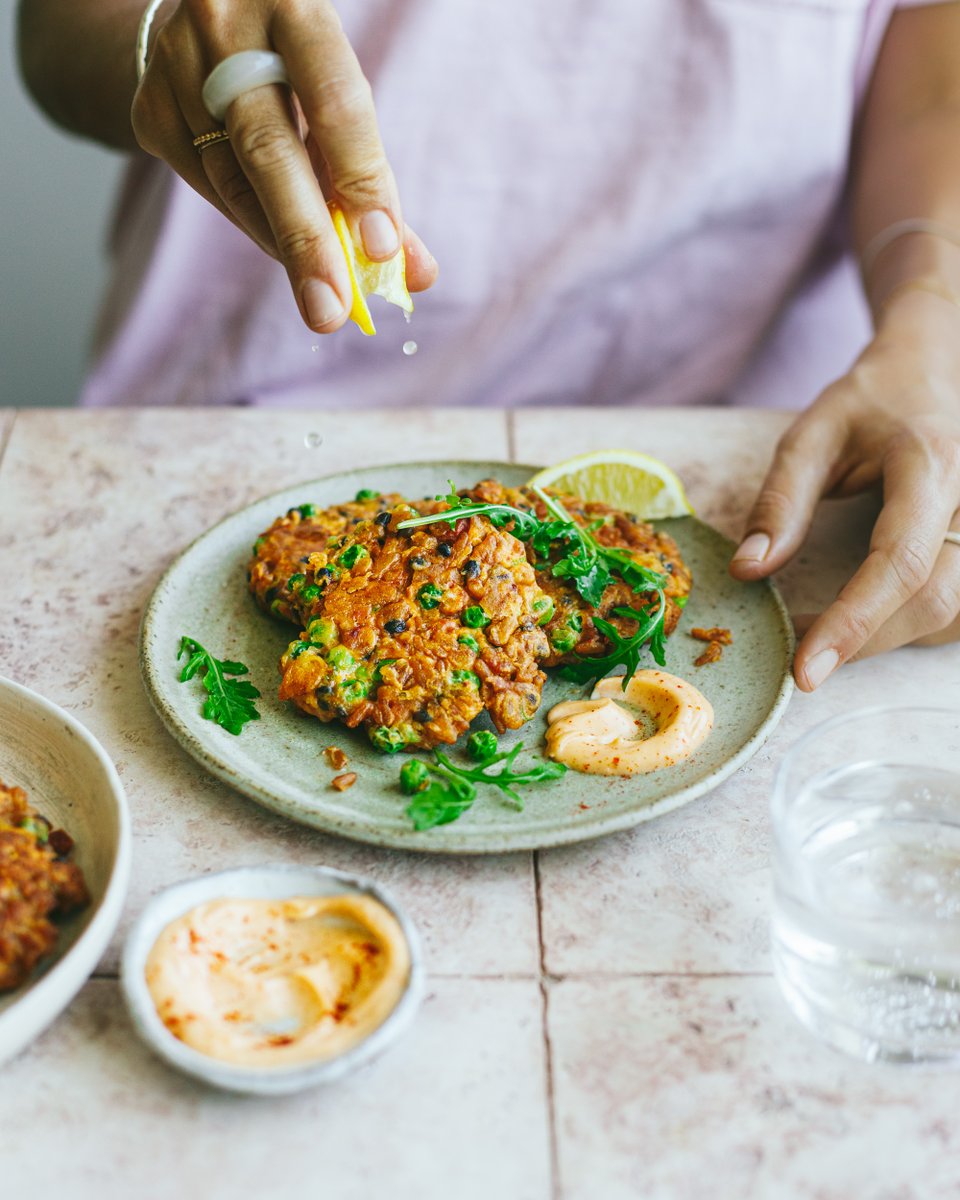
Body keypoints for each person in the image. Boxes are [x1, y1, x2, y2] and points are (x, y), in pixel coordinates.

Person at [17, 0, 960, 692]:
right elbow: (54, 34)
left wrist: (935, 315)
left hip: (740, 457)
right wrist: (165, 33)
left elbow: (932, 62)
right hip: (223, 423)